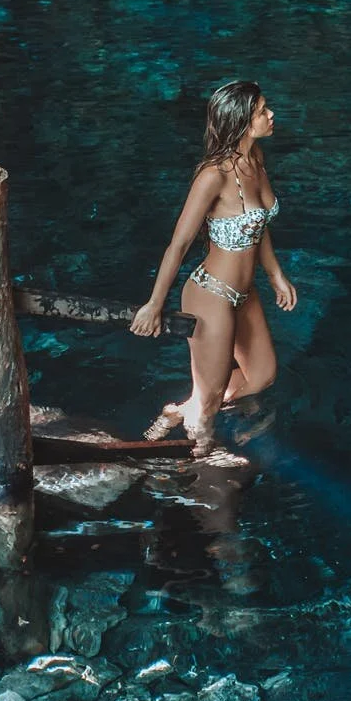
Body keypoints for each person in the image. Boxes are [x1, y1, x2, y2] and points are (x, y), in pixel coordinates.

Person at [132, 79, 296, 455]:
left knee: (262, 376)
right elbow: (179, 243)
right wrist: (155, 304)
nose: (271, 115)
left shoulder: (256, 159)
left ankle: (179, 410)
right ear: (240, 122)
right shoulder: (213, 176)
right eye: (261, 111)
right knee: (210, 402)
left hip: (245, 292)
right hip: (211, 294)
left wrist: (275, 275)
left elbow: (258, 227)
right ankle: (204, 468)